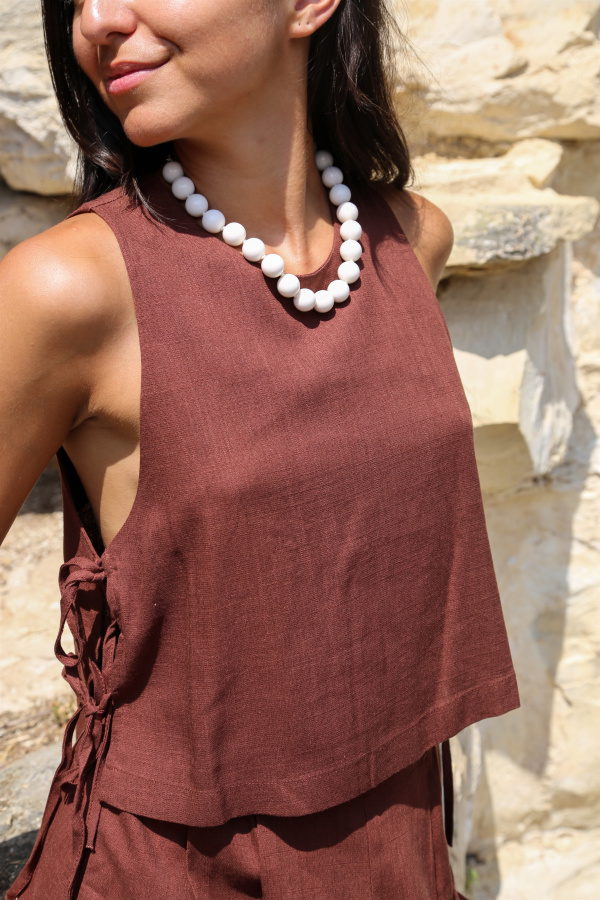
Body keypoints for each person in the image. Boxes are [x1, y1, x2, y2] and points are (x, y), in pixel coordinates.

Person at [1, 1, 520, 898]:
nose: (99, 20)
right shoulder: (67, 288)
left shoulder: (408, 241)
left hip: (400, 860)